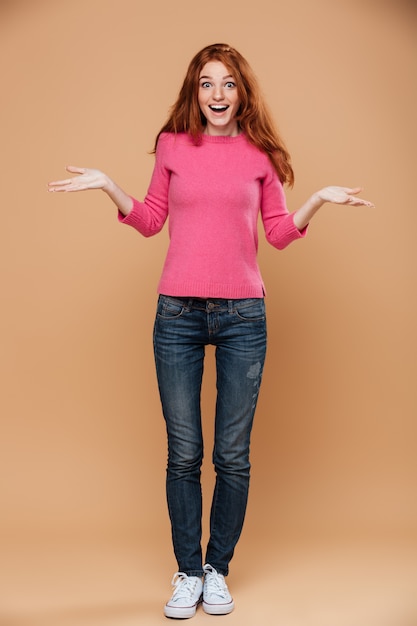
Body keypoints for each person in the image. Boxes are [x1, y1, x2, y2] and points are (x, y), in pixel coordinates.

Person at [48, 43, 374, 619]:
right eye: (206, 84)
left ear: (242, 92)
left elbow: (275, 232)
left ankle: (217, 570)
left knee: (232, 455)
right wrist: (107, 185)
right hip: (177, 313)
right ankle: (188, 572)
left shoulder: (260, 155)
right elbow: (151, 219)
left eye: (227, 84)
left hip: (243, 315)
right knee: (183, 452)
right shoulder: (173, 146)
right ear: (194, 91)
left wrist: (317, 200)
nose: (217, 95)